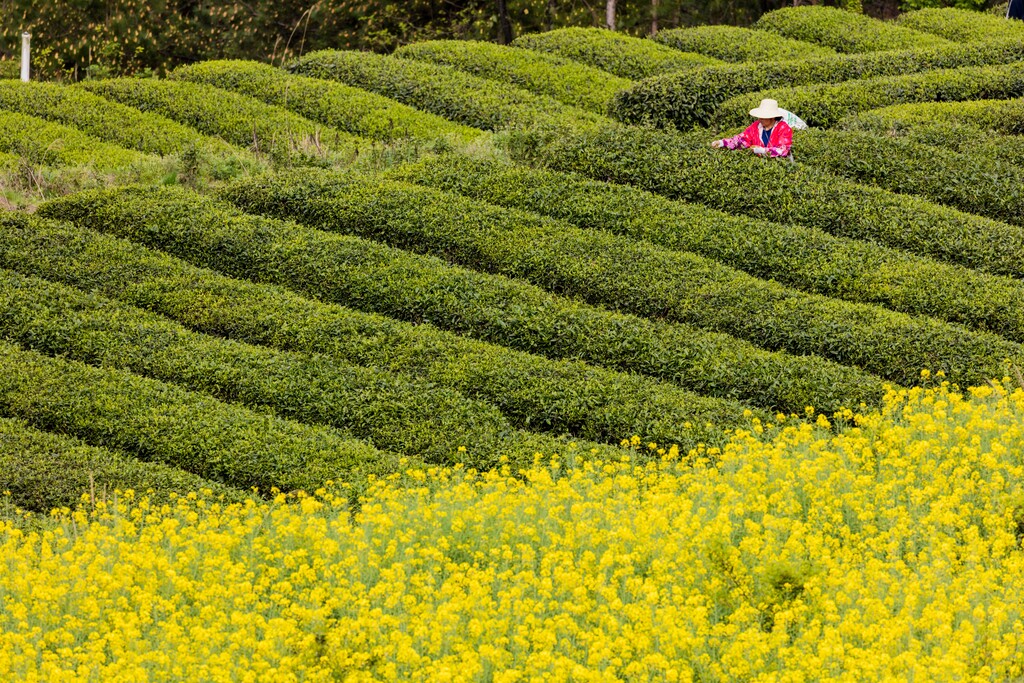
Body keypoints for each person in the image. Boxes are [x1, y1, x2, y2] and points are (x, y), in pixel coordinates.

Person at [710, 98, 793, 158]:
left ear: (773, 117)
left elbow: (783, 150)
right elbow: (741, 139)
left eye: (764, 117)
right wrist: (722, 143)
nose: (760, 119)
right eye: (760, 116)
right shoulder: (756, 126)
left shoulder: (783, 128)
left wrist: (763, 151)